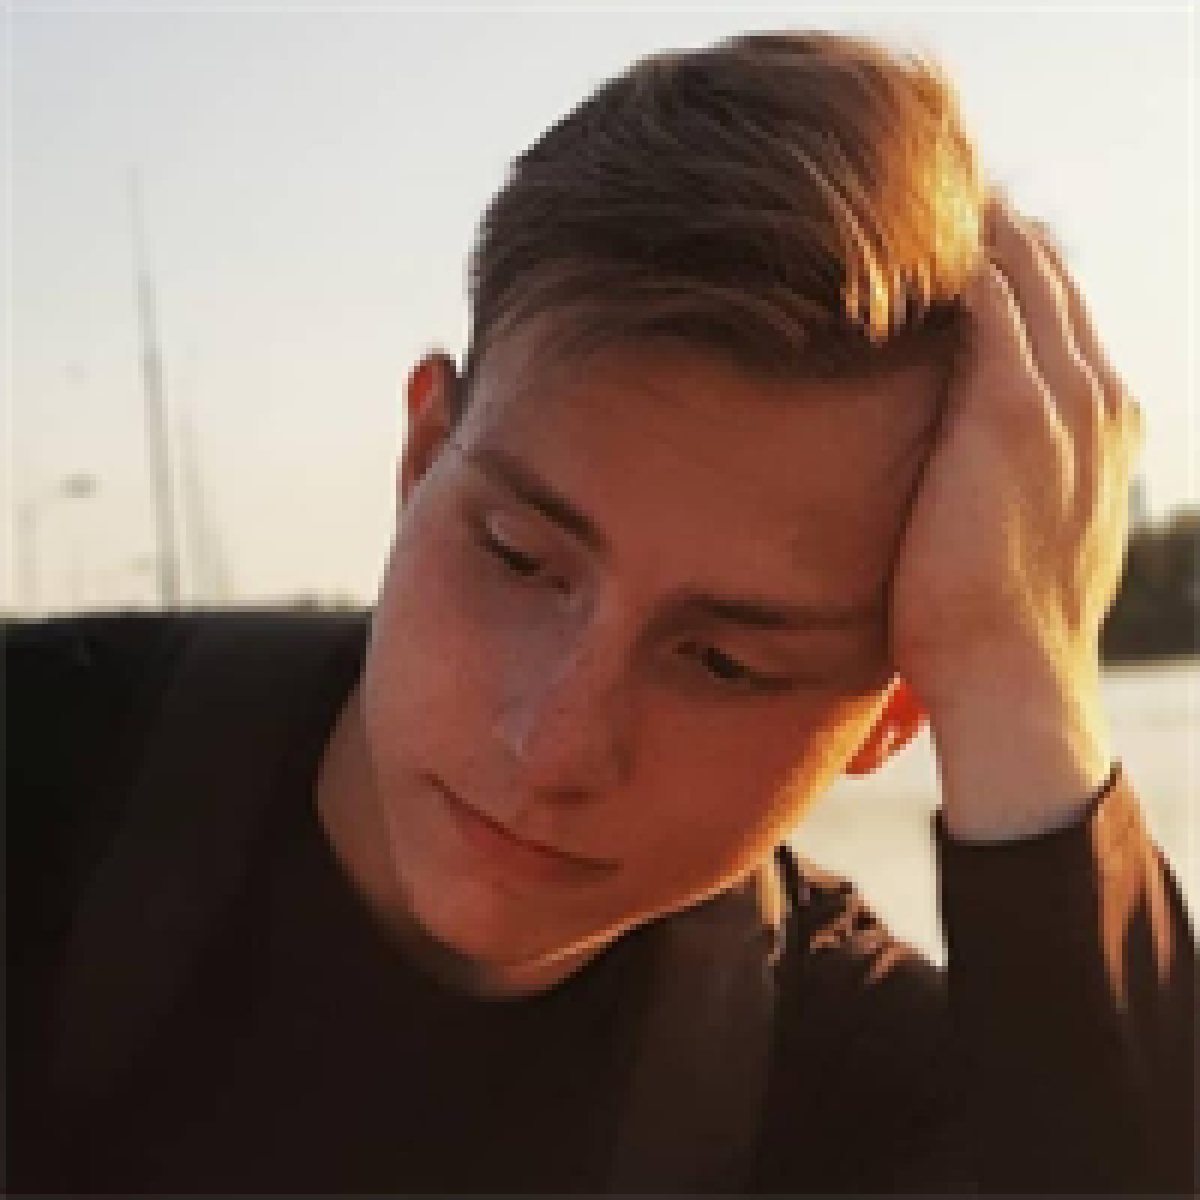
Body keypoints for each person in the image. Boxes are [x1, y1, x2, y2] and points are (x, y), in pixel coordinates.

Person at [6, 29, 1194, 1194]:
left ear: (893, 719)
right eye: (520, 560)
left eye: (723, 663)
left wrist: (1023, 698)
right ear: (421, 462)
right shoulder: (44, 771)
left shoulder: (849, 1088)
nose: (554, 744)